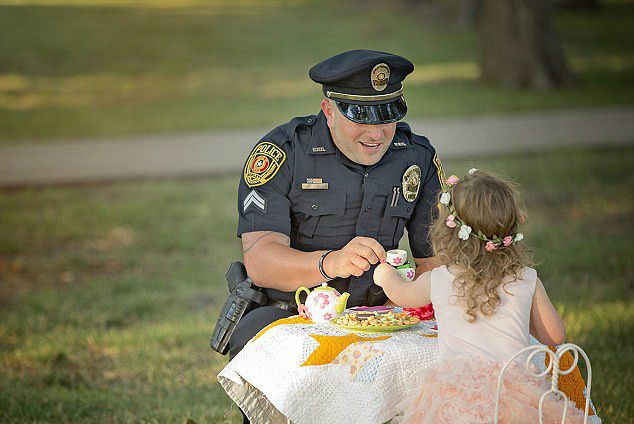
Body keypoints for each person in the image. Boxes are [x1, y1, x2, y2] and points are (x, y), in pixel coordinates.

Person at [227, 49, 445, 422]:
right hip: (290, 315)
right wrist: (331, 262)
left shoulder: (416, 157)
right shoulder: (284, 153)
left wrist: (409, 302)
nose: (377, 134)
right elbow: (260, 260)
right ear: (328, 110)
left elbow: (435, 263)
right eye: (361, 117)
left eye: (388, 116)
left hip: (383, 315)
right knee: (257, 340)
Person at [373, 169, 585, 423]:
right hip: (516, 396)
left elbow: (404, 295)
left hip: (457, 398)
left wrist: (385, 276)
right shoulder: (525, 277)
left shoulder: (442, 277)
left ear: (448, 231)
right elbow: (555, 336)